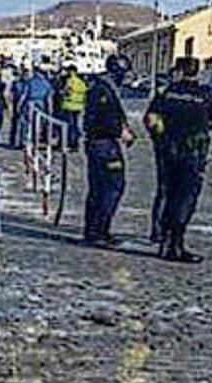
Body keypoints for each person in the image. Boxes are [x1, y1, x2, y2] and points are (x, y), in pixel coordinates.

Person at [145, 57, 212, 263]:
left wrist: (160, 139)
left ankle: (163, 239)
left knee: (167, 193)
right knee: (185, 198)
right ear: (197, 72)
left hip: (167, 151)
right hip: (192, 153)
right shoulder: (206, 94)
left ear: (179, 70)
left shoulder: (166, 92)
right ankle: (175, 245)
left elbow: (150, 119)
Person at [81, 54, 136, 247]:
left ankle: (95, 230)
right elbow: (105, 118)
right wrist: (121, 132)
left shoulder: (102, 86)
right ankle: (98, 231)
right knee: (110, 187)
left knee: (100, 188)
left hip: (101, 143)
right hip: (104, 145)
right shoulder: (103, 89)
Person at [147, 69, 175, 243]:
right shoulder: (164, 96)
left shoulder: (165, 96)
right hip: (168, 147)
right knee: (167, 190)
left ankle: (161, 231)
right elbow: (151, 120)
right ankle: (160, 231)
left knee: (165, 190)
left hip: (165, 146)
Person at [59, 65, 89, 149]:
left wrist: (61, 93)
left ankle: (70, 143)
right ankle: (76, 144)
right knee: (77, 126)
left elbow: (67, 91)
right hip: (79, 106)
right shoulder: (81, 82)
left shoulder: (70, 81)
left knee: (70, 126)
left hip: (69, 106)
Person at [10, 68, 30, 149]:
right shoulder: (18, 83)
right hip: (19, 105)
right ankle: (16, 141)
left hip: (23, 106)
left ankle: (19, 141)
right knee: (19, 124)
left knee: (22, 124)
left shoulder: (25, 84)